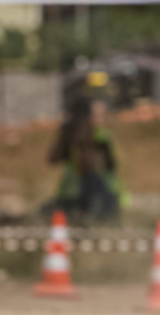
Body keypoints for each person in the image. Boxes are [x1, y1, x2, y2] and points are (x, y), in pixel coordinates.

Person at [45, 70, 125, 224]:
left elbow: (106, 165)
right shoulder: (78, 135)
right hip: (80, 193)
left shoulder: (99, 137)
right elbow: (54, 158)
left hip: (96, 192)